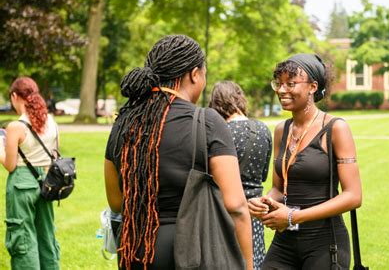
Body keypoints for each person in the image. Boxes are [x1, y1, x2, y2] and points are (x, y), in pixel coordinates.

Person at [104, 35, 253, 270]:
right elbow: (235, 205)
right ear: (195, 74)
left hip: (137, 250)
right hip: (193, 250)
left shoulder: (123, 123)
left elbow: (116, 202)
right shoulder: (207, 121)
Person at [248, 54, 362, 269]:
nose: (281, 90)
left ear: (312, 87)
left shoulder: (335, 128)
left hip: (325, 242)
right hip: (285, 241)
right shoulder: (282, 130)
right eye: (279, 83)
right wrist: (264, 202)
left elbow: (353, 196)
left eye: (290, 84)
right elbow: (279, 189)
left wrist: (293, 216)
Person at [209, 81, 272, 270]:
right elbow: (263, 175)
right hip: (255, 211)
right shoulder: (263, 130)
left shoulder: (219, 133)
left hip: (224, 212)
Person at [0, 77, 60, 270]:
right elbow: (55, 153)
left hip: (22, 183)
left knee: (23, 237)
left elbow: (10, 165)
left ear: (15, 96)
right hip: (47, 181)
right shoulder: (50, 121)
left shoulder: (15, 127)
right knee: (46, 235)